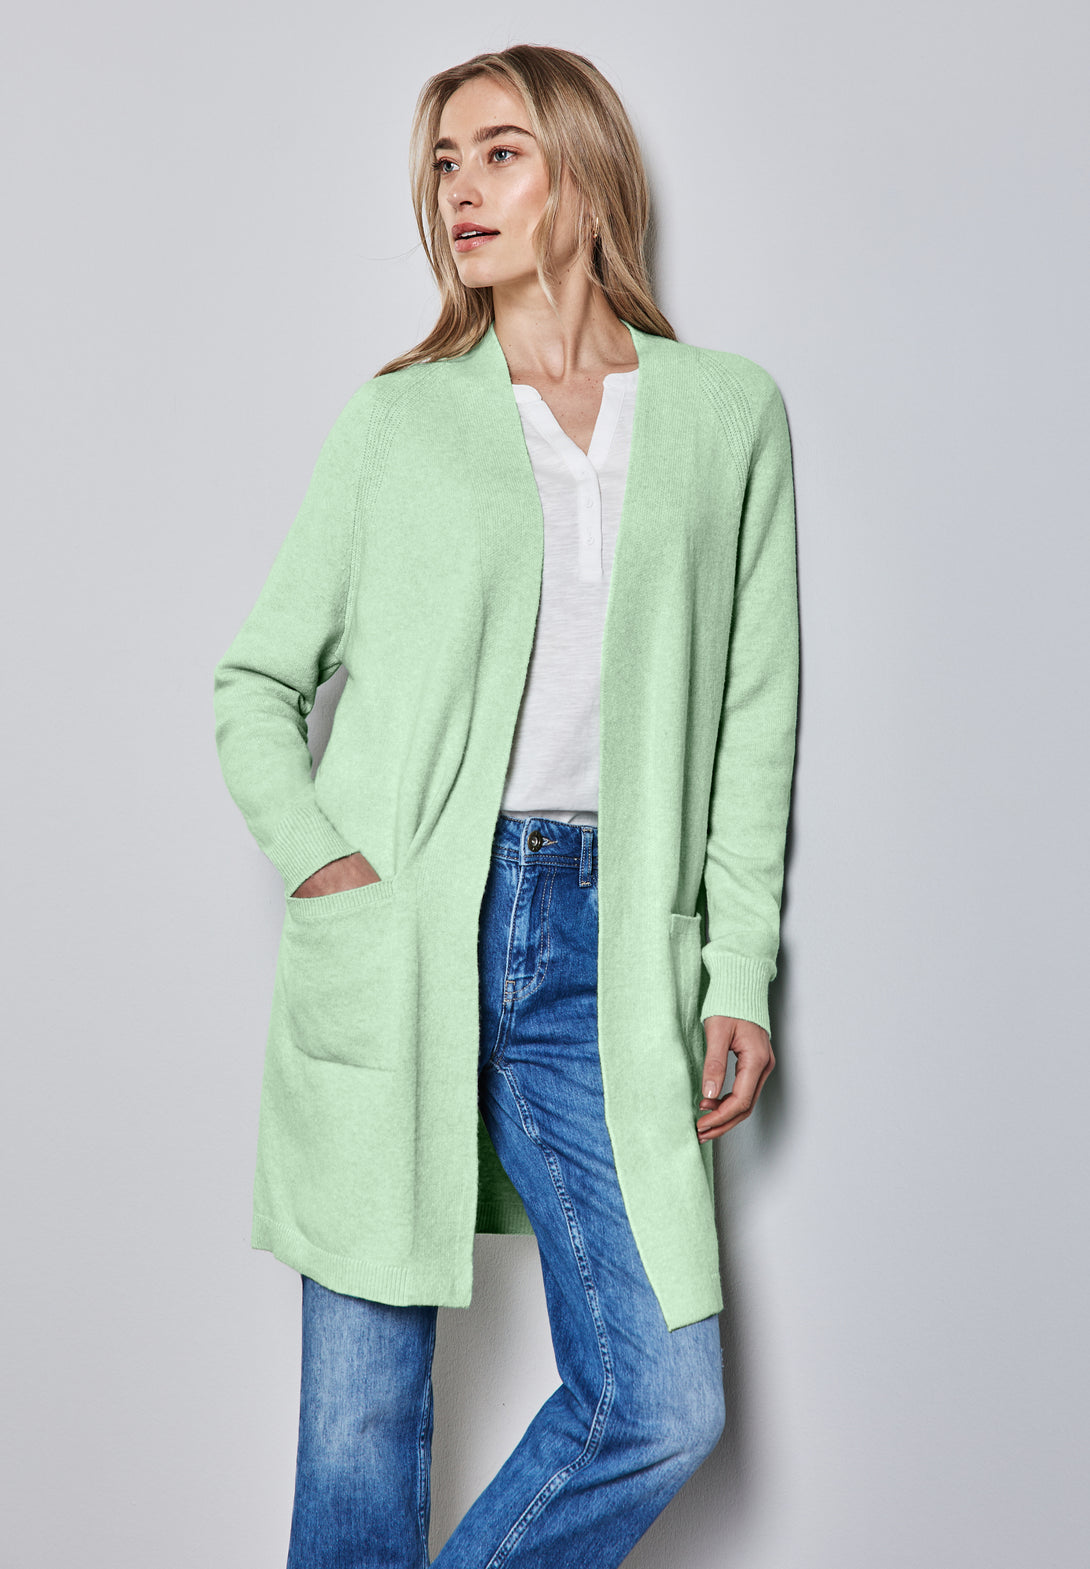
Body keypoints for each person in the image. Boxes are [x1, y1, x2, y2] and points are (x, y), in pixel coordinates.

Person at [213, 41, 800, 1569]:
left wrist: (736, 968)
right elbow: (256, 681)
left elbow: (752, 720)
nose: (458, 192)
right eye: (441, 164)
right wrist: (327, 865)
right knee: (359, 1427)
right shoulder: (398, 422)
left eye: (497, 154)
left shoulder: (725, 415)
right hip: (407, 925)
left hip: (610, 947)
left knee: (658, 1402)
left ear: (581, 174)